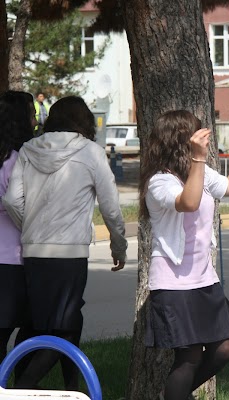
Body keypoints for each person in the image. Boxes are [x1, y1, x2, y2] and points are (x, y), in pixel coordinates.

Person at [2, 96, 128, 391]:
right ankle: (23, 387)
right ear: (84, 122)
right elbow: (110, 207)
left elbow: (12, 200)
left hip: (33, 253)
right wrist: (118, 246)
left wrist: (30, 228)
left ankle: (70, 387)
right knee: (65, 328)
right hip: (70, 254)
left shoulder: (29, 150)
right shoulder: (91, 152)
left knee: (45, 323)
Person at [140, 110, 229, 400]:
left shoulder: (200, 172)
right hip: (173, 284)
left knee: (224, 348)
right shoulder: (159, 182)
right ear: (181, 141)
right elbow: (189, 202)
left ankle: (170, 395)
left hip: (204, 279)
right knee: (190, 357)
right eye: (198, 134)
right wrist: (197, 159)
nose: (205, 140)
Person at [0, 93, 35, 365]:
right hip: (15, 259)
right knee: (31, 328)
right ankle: (21, 382)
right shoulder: (18, 161)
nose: (36, 121)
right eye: (32, 114)